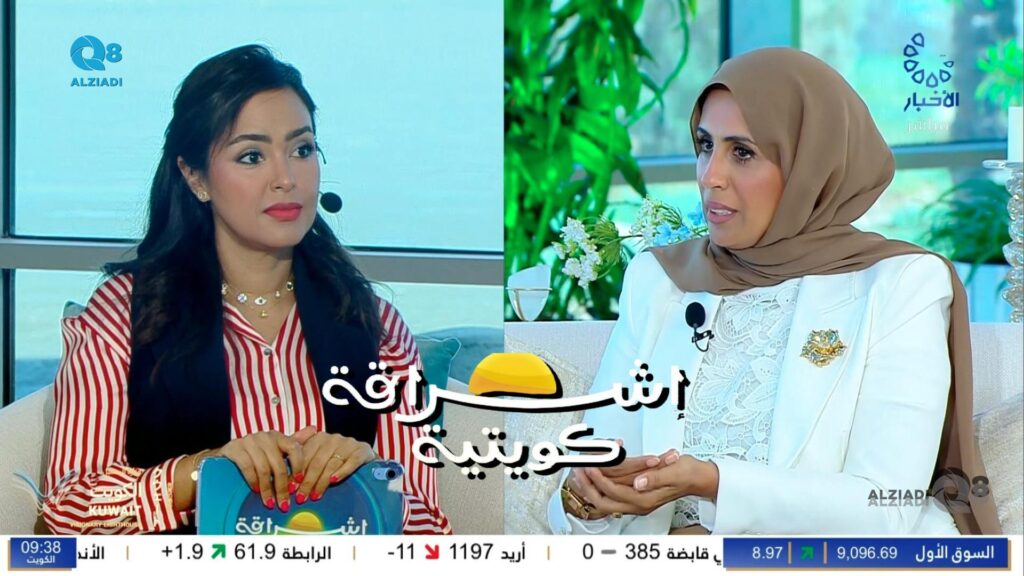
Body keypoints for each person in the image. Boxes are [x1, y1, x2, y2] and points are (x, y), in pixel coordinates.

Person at [547, 47, 1000, 535]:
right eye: (705, 145)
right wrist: (584, 502)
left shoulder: (901, 284)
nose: (709, 176)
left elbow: (886, 508)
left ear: (811, 164)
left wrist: (713, 483)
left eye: (742, 153)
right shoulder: (660, 279)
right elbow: (595, 476)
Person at [42, 45, 450, 535]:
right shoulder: (123, 315)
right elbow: (64, 513)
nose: (286, 179)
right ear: (195, 177)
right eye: (252, 156)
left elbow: (432, 528)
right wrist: (203, 473)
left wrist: (369, 481)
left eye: (302, 150)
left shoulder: (376, 324)